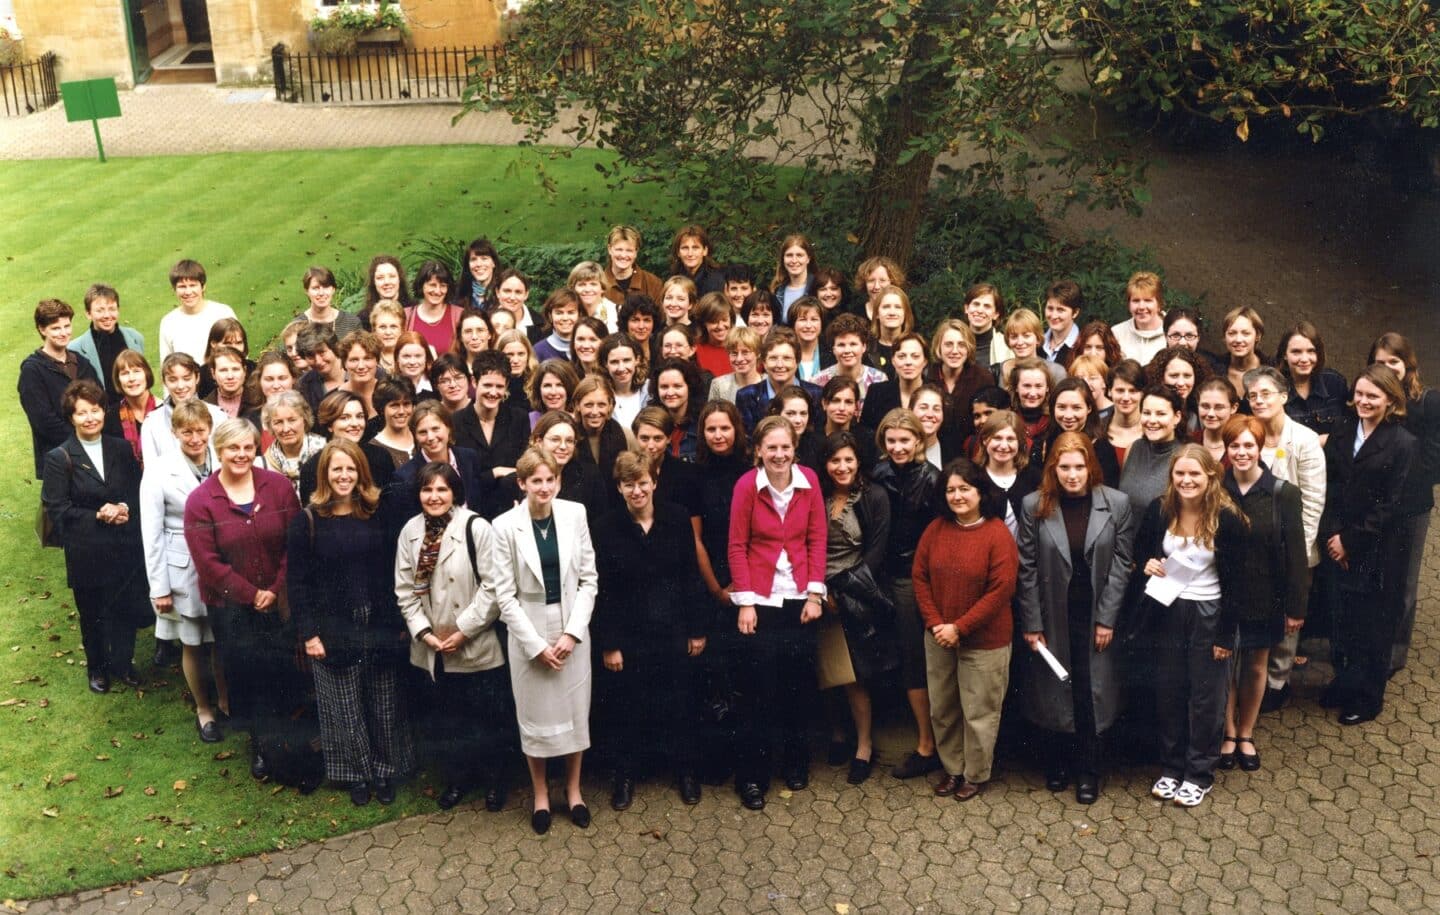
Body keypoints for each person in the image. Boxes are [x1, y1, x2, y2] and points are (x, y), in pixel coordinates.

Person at [184, 419, 308, 785]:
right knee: (248, 676)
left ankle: (293, 743)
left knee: (284, 671)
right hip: (233, 609)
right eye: (232, 448)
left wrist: (275, 587)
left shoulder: (279, 487)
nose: (241, 454)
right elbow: (208, 564)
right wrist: (252, 594)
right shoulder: (201, 501)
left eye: (248, 447)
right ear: (218, 451)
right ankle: (261, 746)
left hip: (279, 598)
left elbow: (294, 541)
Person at [1017, 433, 1134, 804]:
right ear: (1053, 468)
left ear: (1091, 467)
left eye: (1079, 466)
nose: (1072, 475)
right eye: (1064, 467)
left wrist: (1107, 618)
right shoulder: (1034, 504)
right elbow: (1028, 568)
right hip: (1053, 611)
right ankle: (1059, 763)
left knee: (1089, 689)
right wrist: (1032, 623)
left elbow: (1121, 566)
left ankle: (1089, 769)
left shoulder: (1116, 504)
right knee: (1054, 688)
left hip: (1095, 611)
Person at [1130, 444, 1245, 808]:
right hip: (1168, 609)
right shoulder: (1160, 509)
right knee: (1169, 691)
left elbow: (1239, 584)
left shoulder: (1226, 518)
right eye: (1180, 473)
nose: (1187, 480)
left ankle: (1198, 774)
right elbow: (1139, 551)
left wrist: (1226, 635)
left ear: (1210, 476)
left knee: (1206, 698)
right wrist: (1147, 563)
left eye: (1194, 473)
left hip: (1209, 614)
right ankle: (1171, 767)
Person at [395, 461, 513, 812]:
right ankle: (458, 779)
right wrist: (424, 633)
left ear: (455, 492)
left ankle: (495, 781)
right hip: (434, 646)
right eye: (427, 489)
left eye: (442, 489)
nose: (434, 497)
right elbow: (404, 590)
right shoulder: (410, 532)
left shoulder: (476, 527)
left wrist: (464, 631)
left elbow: (493, 587)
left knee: (486, 717)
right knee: (450, 720)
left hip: (474, 642)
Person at [594, 450, 709, 808]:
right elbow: (603, 590)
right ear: (619, 487)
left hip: (672, 629)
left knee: (680, 703)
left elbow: (691, 576)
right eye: (629, 484)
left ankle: (686, 772)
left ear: (654, 482)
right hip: (629, 635)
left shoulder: (675, 518)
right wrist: (609, 643)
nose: (637, 490)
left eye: (643, 482)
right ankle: (624, 776)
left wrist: (697, 629)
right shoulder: (606, 527)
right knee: (626, 707)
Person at [493, 448, 599, 834]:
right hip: (528, 631)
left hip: (572, 625)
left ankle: (573, 791)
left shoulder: (575, 514)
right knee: (535, 719)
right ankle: (540, 794)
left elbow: (589, 578)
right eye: (535, 480)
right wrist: (535, 645)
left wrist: (573, 633)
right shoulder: (503, 526)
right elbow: (503, 595)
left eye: (550, 479)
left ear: (558, 480)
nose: (544, 487)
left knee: (574, 715)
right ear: (521, 483)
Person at [727, 416, 828, 810]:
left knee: (797, 688)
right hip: (762, 602)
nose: (780, 455)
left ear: (794, 449)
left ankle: (795, 763)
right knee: (758, 693)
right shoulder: (746, 486)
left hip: (800, 600)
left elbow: (817, 536)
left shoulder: (809, 482)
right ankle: (753, 776)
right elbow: (737, 545)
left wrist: (815, 594)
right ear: (758, 451)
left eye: (786, 448)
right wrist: (746, 602)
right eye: (772, 448)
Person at [914, 457, 1019, 802]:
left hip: (983, 639)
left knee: (979, 712)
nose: (957, 496)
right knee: (943, 708)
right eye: (950, 490)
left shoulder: (997, 534)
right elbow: (920, 577)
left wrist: (959, 627)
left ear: (980, 492)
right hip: (939, 636)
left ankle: (975, 774)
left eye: (964, 489)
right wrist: (935, 623)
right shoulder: (935, 530)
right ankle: (952, 768)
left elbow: (1000, 590)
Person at [1319, 365, 1416, 725]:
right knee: (1343, 620)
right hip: (1337, 539)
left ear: (1390, 400)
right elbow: (1328, 484)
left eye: (1372, 396)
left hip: (1377, 550)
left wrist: (1350, 541)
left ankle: (1367, 697)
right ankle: (1344, 682)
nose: (1363, 401)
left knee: (1371, 625)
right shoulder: (1343, 429)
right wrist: (1333, 535)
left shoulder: (1404, 443)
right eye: (1359, 394)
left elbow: (1391, 505)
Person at [42, 379, 149, 694]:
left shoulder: (119, 447)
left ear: (104, 411)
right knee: (94, 614)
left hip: (123, 546)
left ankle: (124, 663)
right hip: (87, 552)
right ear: (71, 417)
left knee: (125, 607)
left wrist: (125, 506)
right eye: (82, 413)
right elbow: (57, 509)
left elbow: (135, 488)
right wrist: (97, 515)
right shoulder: (60, 458)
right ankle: (98, 668)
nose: (90, 418)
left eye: (95, 410)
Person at [1219, 415, 1307, 772]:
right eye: (1234, 445)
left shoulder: (1283, 494)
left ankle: (1245, 732)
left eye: (1248, 446)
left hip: (1264, 595)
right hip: (1221, 595)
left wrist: (1295, 606)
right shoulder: (1216, 488)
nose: (1241, 453)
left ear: (1260, 449)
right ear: (1225, 449)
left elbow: (1297, 555)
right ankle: (1225, 731)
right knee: (1224, 665)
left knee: (1256, 666)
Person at [140, 401, 226, 739]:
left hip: (222, 560)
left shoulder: (223, 458)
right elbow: (152, 533)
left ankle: (226, 700)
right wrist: (159, 587)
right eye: (186, 431)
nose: (194, 438)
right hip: (183, 565)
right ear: (175, 433)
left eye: (200, 430)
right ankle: (203, 708)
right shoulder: (159, 470)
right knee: (193, 641)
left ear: (210, 429)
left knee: (221, 638)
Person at [1240, 366, 1324, 712]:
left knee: (1290, 616)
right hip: (1257, 546)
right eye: (1253, 395)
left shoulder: (1303, 439)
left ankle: (1278, 681)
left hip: (1295, 545)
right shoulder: (1248, 434)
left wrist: (1297, 556)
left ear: (1284, 397)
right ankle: (1256, 678)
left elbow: (1314, 500)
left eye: (1266, 394)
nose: (1259, 401)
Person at [818, 431, 896, 784]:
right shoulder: (815, 495)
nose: (842, 467)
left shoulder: (873, 496)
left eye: (848, 460)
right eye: (835, 460)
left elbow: (876, 553)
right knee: (828, 671)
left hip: (857, 594)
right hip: (818, 593)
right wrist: (820, 591)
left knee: (856, 677)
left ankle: (863, 746)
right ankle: (836, 733)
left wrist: (844, 592)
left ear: (859, 461)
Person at [871, 408, 944, 779]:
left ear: (919, 442)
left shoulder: (932, 479)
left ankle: (928, 745)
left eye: (905, 440)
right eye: (891, 440)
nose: (898, 447)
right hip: (885, 575)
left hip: (917, 579)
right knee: (902, 657)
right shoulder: (878, 474)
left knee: (919, 659)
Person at [1368, 333, 1440, 674]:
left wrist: (1398, 484)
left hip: (1411, 507)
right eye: (1379, 363)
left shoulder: (1427, 402)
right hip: (1374, 505)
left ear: (1408, 365)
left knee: (1405, 582)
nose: (1387, 369)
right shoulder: (1372, 398)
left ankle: (1395, 652)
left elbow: (1434, 461)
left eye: (1393, 362)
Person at [21, 299, 101, 479]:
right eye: (56, 328)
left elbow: (101, 401)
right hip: (59, 458)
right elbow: (43, 420)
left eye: (67, 326)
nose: (64, 333)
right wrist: (82, 442)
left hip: (93, 450)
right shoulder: (32, 370)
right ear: (42, 330)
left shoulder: (81, 362)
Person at [453, 351, 531, 518]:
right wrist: (495, 472)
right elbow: (460, 478)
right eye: (487, 385)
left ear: (507, 385)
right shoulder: (456, 422)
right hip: (471, 513)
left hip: (511, 512)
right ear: (474, 382)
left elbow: (524, 470)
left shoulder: (518, 418)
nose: (493, 392)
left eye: (499, 386)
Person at [139, 353, 226, 466]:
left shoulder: (218, 416)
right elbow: (151, 470)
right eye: (173, 380)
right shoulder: (152, 423)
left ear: (197, 378)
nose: (180, 386)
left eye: (186, 378)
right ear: (164, 381)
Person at [69, 283, 145, 402]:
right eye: (100, 310)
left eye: (112, 309)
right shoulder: (75, 349)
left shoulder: (135, 337)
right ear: (88, 314)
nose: (107, 315)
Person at [1277, 321, 1349, 445]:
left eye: (1311, 351)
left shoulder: (1335, 383)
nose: (1304, 359)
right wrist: (1317, 442)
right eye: (1296, 352)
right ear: (1284, 355)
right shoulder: (1274, 389)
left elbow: (1351, 427)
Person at [736, 331, 822, 432]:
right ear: (764, 362)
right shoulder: (747, 396)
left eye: (787, 358)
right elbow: (749, 441)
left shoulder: (815, 394)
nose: (780, 365)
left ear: (797, 361)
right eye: (773, 358)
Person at [1117, 387, 1185, 513]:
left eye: (1161, 414)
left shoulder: (1184, 457)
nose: (1152, 420)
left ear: (1177, 417)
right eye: (1147, 413)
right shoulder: (1134, 448)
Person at [976, 410, 1042, 539]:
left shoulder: (1033, 477)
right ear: (984, 439)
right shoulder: (974, 477)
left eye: (1011, 439)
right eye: (997, 438)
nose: (1004, 446)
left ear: (1020, 443)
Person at [158, 259, 236, 361]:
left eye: (192, 285)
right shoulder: (168, 322)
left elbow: (240, 354)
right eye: (182, 286)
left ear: (203, 287)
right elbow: (166, 365)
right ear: (174, 290)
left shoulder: (223, 313)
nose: (188, 292)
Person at [858, 332, 929, 430]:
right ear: (893, 361)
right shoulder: (876, 392)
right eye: (901, 356)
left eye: (915, 356)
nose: (908, 362)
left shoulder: (937, 394)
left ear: (925, 361)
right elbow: (864, 433)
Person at [260, 390, 325, 498]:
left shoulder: (324, 452)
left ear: (304, 419)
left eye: (292, 420)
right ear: (270, 426)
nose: (286, 429)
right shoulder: (263, 464)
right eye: (278, 422)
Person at [572, 375, 633, 488]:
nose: (595, 412)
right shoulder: (568, 436)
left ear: (610, 406)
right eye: (589, 405)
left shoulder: (626, 435)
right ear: (577, 405)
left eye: (601, 405)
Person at [103, 350, 159, 466]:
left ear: (147, 374)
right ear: (118, 380)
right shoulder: (110, 418)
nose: (131, 378)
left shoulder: (165, 411)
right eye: (125, 373)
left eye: (136, 371)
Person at [601, 225, 664, 310]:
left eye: (629, 250)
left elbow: (661, 319)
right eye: (619, 249)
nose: (623, 255)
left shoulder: (653, 283)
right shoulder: (598, 283)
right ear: (609, 249)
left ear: (636, 252)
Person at [1110, 271, 1167, 364]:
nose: (1141, 307)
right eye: (1136, 301)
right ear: (1128, 304)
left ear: (1159, 304)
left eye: (1148, 300)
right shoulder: (1117, 333)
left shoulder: (1174, 332)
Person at [599, 333, 650, 428]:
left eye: (626, 360)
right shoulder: (598, 394)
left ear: (637, 360)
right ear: (605, 363)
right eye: (614, 362)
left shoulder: (651, 390)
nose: (621, 368)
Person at [365, 378, 417, 470]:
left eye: (406, 404)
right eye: (394, 405)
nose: (401, 411)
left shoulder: (422, 436)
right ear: (382, 409)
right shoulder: (373, 449)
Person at [298, 266, 362, 339]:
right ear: (307, 291)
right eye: (315, 288)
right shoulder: (297, 326)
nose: (321, 293)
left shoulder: (351, 323)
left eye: (326, 287)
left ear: (333, 289)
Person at [707, 326, 763, 405]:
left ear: (758, 354)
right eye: (734, 353)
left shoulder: (769, 383)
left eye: (745, 352)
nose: (739, 359)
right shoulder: (719, 385)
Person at [869, 285, 916, 379]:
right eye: (886, 307)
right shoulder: (867, 349)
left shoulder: (916, 348)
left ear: (905, 313)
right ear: (877, 313)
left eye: (898, 307)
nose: (892, 312)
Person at [964, 282, 1014, 368]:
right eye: (976, 304)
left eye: (987, 306)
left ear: (996, 314)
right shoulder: (954, 343)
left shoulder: (1007, 348)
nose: (980, 310)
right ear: (966, 308)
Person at [771, 233, 819, 322]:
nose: (794, 260)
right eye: (789, 255)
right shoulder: (777, 291)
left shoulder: (818, 287)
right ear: (783, 259)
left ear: (808, 258)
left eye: (799, 255)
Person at [668, 224, 726, 296]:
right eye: (685, 248)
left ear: (705, 251)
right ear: (678, 252)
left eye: (695, 248)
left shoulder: (715, 281)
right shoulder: (673, 277)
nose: (690, 253)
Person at [359, 255, 414, 328]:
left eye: (392, 276)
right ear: (373, 283)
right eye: (380, 278)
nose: (387, 282)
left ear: (399, 279)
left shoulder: (414, 312)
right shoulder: (364, 318)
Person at [1194, 378, 1240, 466]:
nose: (1211, 414)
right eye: (1205, 406)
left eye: (1219, 407)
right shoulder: (1188, 442)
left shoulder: (1244, 444)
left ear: (1234, 408)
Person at [488, 267, 542, 340]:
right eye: (507, 291)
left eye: (518, 292)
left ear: (526, 294)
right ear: (497, 292)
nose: (512, 297)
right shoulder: (485, 321)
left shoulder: (541, 324)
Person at [1041, 280, 1084, 367]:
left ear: (1075, 312)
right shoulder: (1037, 342)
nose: (1053, 316)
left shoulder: (1082, 346)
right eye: (1050, 308)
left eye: (1060, 310)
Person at [532, 288, 583, 363]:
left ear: (579, 315)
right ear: (550, 316)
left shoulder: (587, 348)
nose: (565, 318)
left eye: (571, 312)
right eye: (559, 313)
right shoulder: (538, 351)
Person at [527, 359, 580, 427]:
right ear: (538, 389)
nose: (553, 392)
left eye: (559, 385)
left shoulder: (579, 421)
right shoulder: (529, 420)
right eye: (547, 385)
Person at [455, 237, 501, 310]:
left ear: (494, 263)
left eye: (484, 258)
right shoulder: (458, 294)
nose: (479, 264)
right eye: (473, 259)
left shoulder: (504, 293)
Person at [854, 256, 905, 322]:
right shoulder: (855, 314)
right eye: (871, 280)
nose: (876, 287)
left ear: (892, 282)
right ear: (864, 283)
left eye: (882, 280)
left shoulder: (903, 312)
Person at [496, 327, 539, 404]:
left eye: (521, 354)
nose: (515, 360)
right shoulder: (492, 383)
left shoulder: (538, 381)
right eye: (509, 355)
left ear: (528, 355)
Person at [393, 331, 436, 400]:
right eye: (406, 356)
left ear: (426, 358)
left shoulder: (437, 386)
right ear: (397, 358)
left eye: (418, 356)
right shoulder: (388, 388)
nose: (412, 362)